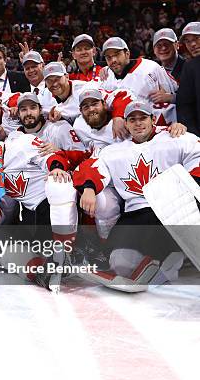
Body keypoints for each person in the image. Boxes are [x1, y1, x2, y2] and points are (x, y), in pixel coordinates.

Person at [75, 101, 200, 288]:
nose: (138, 123)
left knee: (169, 244)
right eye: (132, 119)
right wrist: (89, 188)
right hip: (136, 215)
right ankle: (165, 262)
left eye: (143, 118)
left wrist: (190, 188)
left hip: (170, 210)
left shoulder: (175, 138)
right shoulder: (114, 151)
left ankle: (172, 258)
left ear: (153, 120)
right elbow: (91, 166)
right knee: (121, 263)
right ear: (126, 123)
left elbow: (197, 155)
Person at [99, 36, 178, 126]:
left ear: (127, 54)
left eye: (117, 54)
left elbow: (179, 93)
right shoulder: (105, 76)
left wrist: (171, 97)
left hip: (157, 127)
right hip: (125, 131)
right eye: (108, 57)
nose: (113, 60)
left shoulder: (151, 67)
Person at [176, 21, 200, 135]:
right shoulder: (190, 66)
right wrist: (195, 137)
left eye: (197, 38)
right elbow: (184, 105)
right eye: (188, 41)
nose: (193, 44)